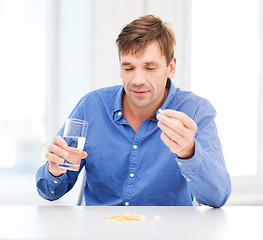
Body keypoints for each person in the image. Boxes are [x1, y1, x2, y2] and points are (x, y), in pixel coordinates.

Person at [36, 15, 231, 207]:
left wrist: (189, 152)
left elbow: (217, 197)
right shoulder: (91, 107)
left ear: (170, 67)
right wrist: (55, 172)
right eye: (129, 68)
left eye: (150, 68)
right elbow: (49, 192)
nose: (138, 80)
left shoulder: (195, 110)